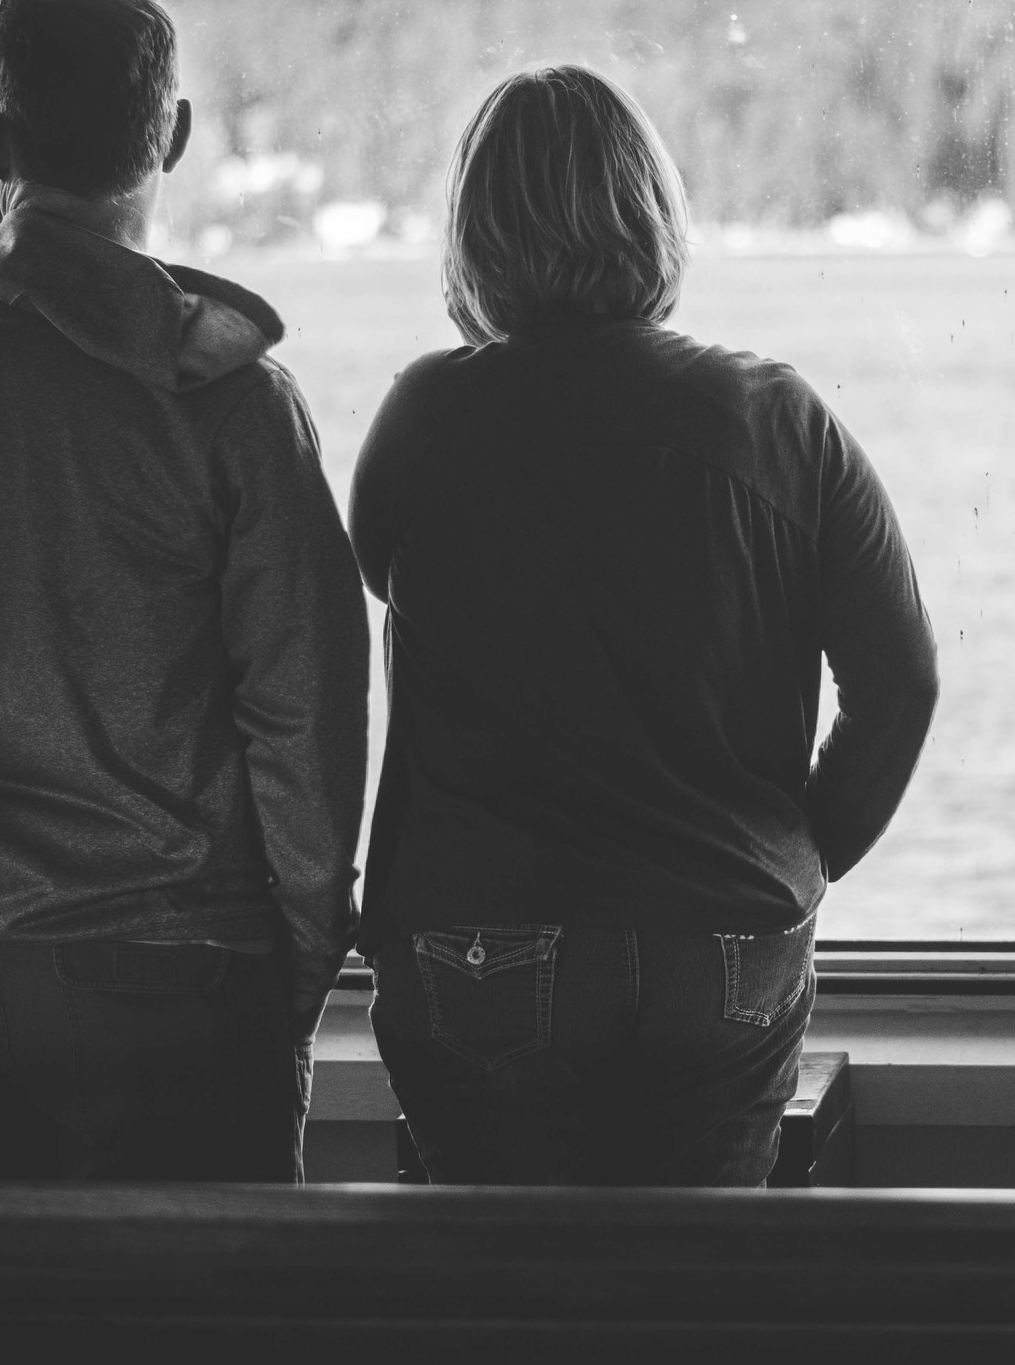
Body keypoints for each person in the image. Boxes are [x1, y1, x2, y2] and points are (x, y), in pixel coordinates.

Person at [0, 0, 368, 1181]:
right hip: (192, 967)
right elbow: (307, 717)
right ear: (172, 135)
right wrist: (303, 954)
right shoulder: (232, 400)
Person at [351, 65, 938, 1185]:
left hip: (484, 934)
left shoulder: (427, 414)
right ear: (653, 217)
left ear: (475, 236)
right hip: (724, 935)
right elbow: (899, 683)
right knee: (692, 1298)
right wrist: (801, 849)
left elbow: (379, 576)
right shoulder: (781, 419)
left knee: (506, 1307)